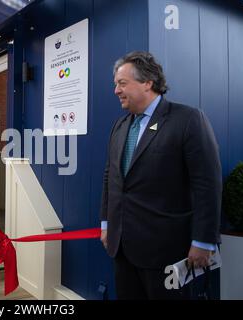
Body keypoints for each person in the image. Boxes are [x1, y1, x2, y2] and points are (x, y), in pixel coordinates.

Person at [100, 51, 222, 300]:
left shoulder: (187, 120)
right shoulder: (120, 126)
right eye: (115, 84)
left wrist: (204, 241)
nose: (116, 90)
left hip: (167, 251)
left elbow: (207, 184)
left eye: (122, 83)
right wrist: (106, 224)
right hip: (121, 247)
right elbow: (110, 178)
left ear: (147, 82)